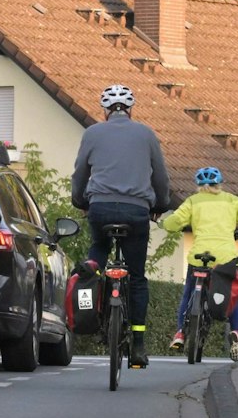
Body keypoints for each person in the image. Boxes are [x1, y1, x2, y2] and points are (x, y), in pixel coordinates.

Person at [70, 84, 171, 368]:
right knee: (137, 277)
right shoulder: (146, 134)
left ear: (104, 111)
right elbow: (161, 177)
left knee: (99, 245)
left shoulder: (92, 133)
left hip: (100, 208)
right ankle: (138, 343)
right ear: (131, 109)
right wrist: (160, 205)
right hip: (137, 211)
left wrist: (80, 201)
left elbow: (80, 173)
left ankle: (92, 265)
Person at [163, 166, 238, 360]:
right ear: (220, 184)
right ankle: (234, 332)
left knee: (189, 293)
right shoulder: (232, 201)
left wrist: (165, 225)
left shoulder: (193, 202)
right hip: (224, 259)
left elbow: (174, 222)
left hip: (200, 257)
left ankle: (180, 333)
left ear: (199, 186)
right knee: (231, 295)